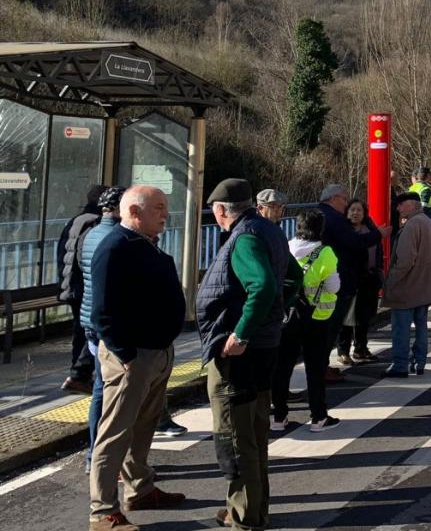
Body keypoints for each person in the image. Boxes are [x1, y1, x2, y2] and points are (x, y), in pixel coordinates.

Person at [197, 178, 296, 530]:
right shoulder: (269, 230)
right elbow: (291, 279)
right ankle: (252, 509)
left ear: (222, 210)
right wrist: (273, 317)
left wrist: (241, 332)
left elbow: (264, 285)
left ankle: (245, 517)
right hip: (265, 345)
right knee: (255, 434)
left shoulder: (244, 238)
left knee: (238, 440)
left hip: (242, 352)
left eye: (215, 212)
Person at [89, 186, 187, 531]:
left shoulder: (144, 244)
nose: (165, 214)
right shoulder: (115, 247)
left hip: (156, 352)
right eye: (158, 208)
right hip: (133, 356)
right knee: (115, 432)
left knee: (144, 427)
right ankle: (102, 511)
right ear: (134, 212)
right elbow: (101, 312)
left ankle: (140, 489)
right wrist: (126, 354)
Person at [271, 209, 341, 432]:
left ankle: (278, 417)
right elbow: (333, 286)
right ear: (320, 229)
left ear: (297, 226)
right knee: (315, 368)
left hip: (287, 317)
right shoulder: (325, 252)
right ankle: (318, 417)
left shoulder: (285, 248)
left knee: (282, 368)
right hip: (316, 318)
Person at [317, 184, 385, 380]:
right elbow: (354, 243)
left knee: (326, 327)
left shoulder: (317, 214)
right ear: (334, 199)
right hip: (338, 277)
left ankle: (323, 366)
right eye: (344, 200)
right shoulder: (335, 218)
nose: (346, 205)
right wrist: (379, 234)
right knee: (331, 326)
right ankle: (322, 369)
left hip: (321, 277)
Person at [80, 186, 124, 472]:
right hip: (110, 324)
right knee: (113, 392)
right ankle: (106, 459)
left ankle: (93, 454)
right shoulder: (118, 240)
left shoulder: (91, 234)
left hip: (90, 320)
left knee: (101, 388)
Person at [381, 192, 431, 378]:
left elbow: (405, 260)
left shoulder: (412, 225)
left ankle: (400, 365)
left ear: (412, 205)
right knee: (421, 326)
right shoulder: (428, 222)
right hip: (424, 284)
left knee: (401, 329)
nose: (398, 208)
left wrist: (390, 282)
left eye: (401, 204)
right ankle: (419, 362)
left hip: (407, 287)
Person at [59, 184, 105, 394]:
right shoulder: (94, 223)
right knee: (89, 330)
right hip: (83, 286)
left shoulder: (75, 220)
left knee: (80, 330)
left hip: (70, 285)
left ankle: (79, 373)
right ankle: (80, 374)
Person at [336, 198, 384, 365]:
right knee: (347, 317)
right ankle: (343, 350)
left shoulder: (371, 230)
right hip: (350, 279)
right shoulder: (344, 231)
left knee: (365, 316)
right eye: (352, 210)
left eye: (359, 210)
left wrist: (378, 273)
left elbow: (378, 254)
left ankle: (361, 348)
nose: (355, 213)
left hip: (369, 279)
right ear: (346, 213)